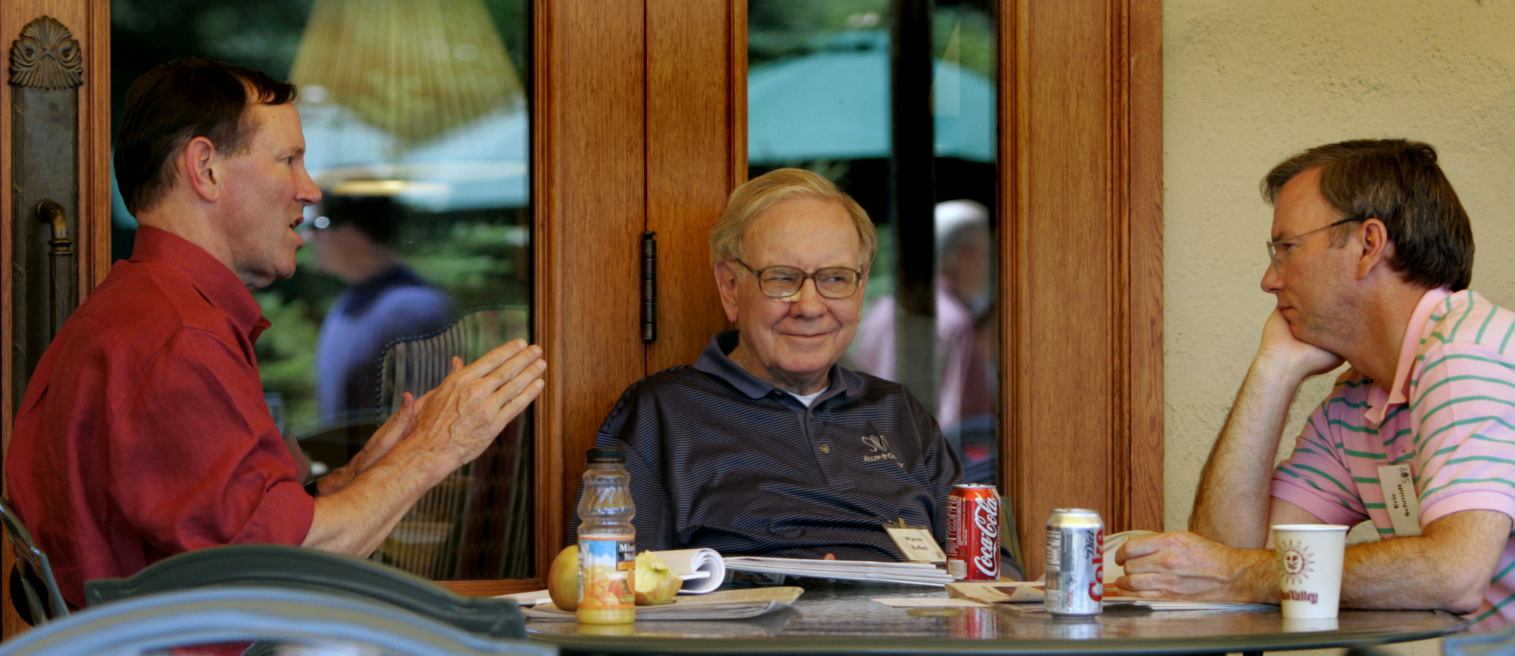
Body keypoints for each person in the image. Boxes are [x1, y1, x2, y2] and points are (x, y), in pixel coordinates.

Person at [5, 58, 547, 609]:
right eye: (289, 160)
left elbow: (241, 528)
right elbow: (277, 570)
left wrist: (370, 473)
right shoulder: (176, 337)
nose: (310, 190)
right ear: (206, 169)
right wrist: (434, 450)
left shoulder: (147, 309)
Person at [1115, 139, 1515, 630]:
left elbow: (1453, 575)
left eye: (1285, 248)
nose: (1269, 280)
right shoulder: (1357, 400)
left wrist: (1235, 573)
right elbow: (1229, 566)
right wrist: (1273, 370)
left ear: (1368, 246)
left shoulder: (1470, 356)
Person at [578, 168, 966, 563]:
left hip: (915, 621)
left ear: (862, 286)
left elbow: (989, 570)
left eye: (835, 278)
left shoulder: (899, 414)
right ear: (730, 287)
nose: (810, 307)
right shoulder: (660, 416)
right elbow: (619, 583)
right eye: (782, 279)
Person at [852, 199, 997, 481]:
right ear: (964, 256)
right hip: (924, 472)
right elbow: (955, 423)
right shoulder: (953, 319)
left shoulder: (883, 308)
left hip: (869, 459)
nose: (985, 267)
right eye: (983, 255)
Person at [307, 192, 454, 430]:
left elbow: (422, 428)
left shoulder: (411, 311)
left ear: (352, 231)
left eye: (317, 224)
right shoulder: (352, 300)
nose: (308, 236)